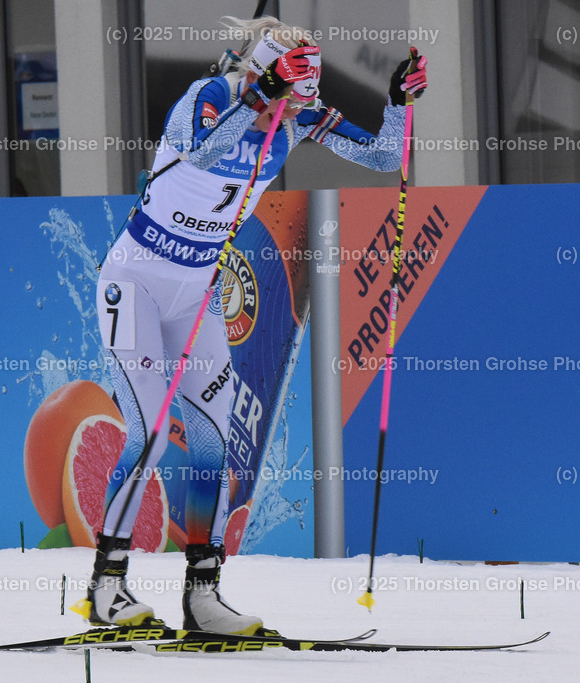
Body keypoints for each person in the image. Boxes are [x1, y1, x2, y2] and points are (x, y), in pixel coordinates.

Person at [79, 15, 428, 635]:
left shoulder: (294, 118)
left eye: (302, 94)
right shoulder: (208, 97)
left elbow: (380, 155)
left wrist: (397, 104)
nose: (299, 108)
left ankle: (203, 597)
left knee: (216, 443)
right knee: (153, 434)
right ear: (264, 72)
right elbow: (205, 150)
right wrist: (262, 92)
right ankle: (105, 589)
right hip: (135, 284)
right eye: (292, 90)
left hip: (198, 292)